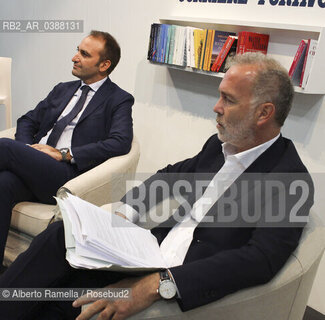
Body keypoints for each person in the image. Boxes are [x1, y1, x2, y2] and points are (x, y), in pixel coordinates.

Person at [0, 53, 314, 320]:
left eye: (228, 99)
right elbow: (169, 175)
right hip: (149, 253)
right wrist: (125, 211)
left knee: (59, 299)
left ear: (264, 113)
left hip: (181, 275)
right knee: (61, 237)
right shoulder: (219, 146)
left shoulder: (290, 179)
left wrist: (159, 283)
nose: (216, 107)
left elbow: (260, 260)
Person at [0, 30, 134, 272]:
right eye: (77, 50)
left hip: (66, 174)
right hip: (33, 165)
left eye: (84, 54)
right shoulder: (63, 89)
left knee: (4, 147)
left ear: (104, 64)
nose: (74, 57)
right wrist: (27, 151)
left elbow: (121, 142)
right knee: (3, 183)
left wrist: (65, 154)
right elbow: (27, 120)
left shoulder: (119, 99)